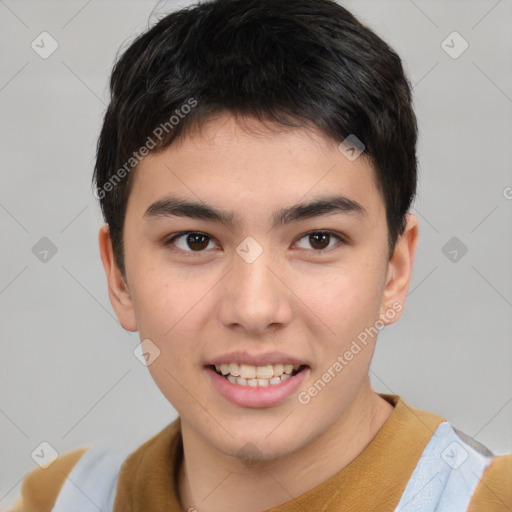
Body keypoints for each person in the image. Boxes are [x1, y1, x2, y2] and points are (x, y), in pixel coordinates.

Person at [9, 0, 511, 510]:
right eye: (195, 241)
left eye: (318, 240)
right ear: (118, 275)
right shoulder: (61, 499)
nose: (253, 309)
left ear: (394, 272)